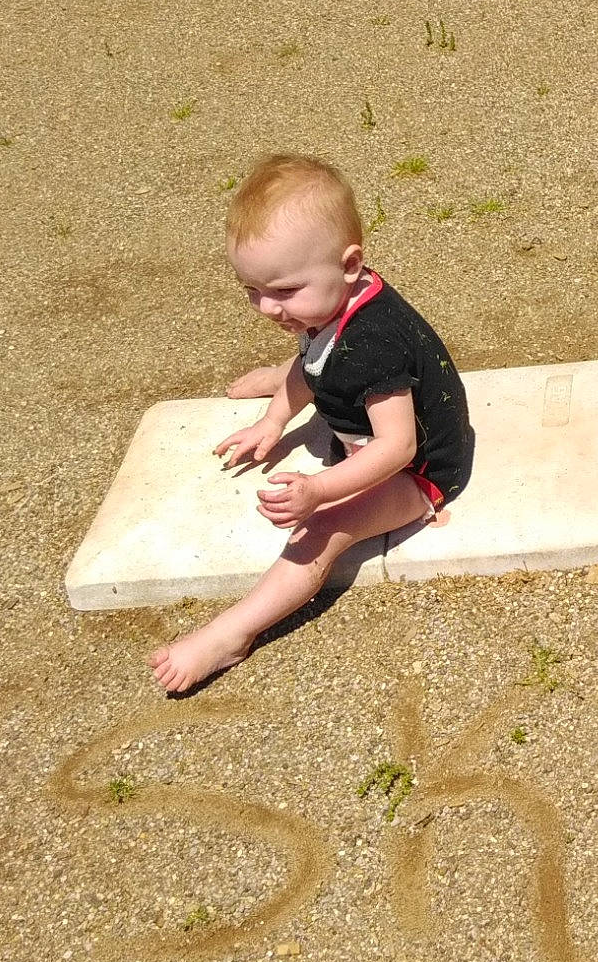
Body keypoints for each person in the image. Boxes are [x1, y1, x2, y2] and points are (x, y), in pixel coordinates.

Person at [148, 154, 472, 693]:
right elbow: (312, 356)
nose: (268, 308)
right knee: (314, 359)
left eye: (283, 291)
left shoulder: (373, 344)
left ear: (350, 264)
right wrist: (274, 419)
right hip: (365, 408)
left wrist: (318, 491)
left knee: (322, 532)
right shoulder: (329, 304)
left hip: (419, 472)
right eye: (252, 290)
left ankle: (231, 634)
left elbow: (396, 446)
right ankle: (278, 384)